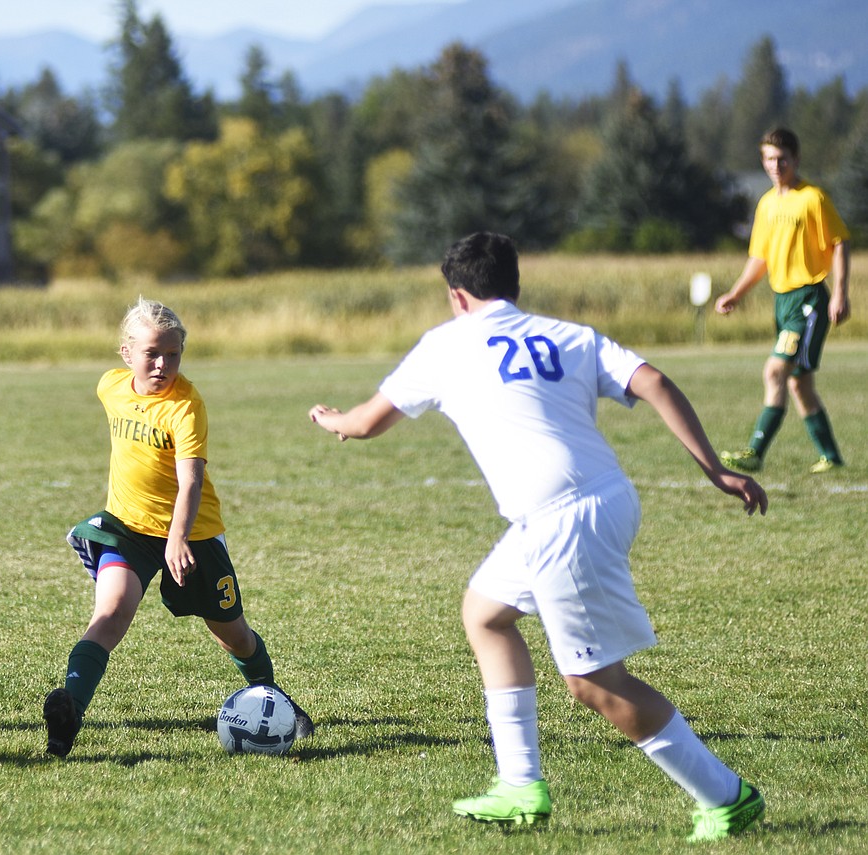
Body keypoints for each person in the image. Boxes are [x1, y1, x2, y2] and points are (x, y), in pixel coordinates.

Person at [308, 232, 767, 842]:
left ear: (458, 296)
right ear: (514, 287)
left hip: (562, 518)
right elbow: (654, 380)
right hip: (597, 499)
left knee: (594, 682)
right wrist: (715, 467)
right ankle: (519, 784)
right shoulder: (568, 335)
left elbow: (365, 424)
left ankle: (725, 796)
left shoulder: (445, 344)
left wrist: (331, 420)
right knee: (485, 614)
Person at [44, 298, 313, 758]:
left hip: (193, 535)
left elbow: (190, 481)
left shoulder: (186, 406)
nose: (163, 364)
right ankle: (68, 712)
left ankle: (272, 698)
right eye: (152, 353)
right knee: (109, 615)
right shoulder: (110, 386)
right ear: (127, 353)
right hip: (127, 529)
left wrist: (177, 538)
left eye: (172, 354)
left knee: (232, 634)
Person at [715, 126, 851, 474]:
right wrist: (736, 293)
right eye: (769, 159)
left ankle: (755, 452)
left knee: (775, 371)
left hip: (809, 300)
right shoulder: (765, 205)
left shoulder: (812, 198)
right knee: (799, 384)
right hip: (783, 301)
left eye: (782, 158)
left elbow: (839, 243)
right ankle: (831, 458)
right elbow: (760, 259)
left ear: (796, 158)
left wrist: (840, 292)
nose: (776, 165)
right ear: (763, 161)